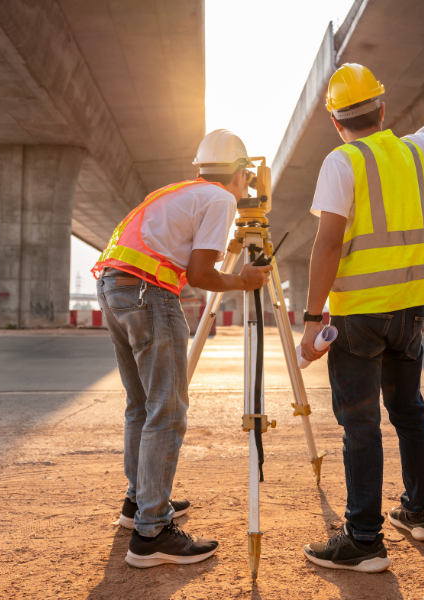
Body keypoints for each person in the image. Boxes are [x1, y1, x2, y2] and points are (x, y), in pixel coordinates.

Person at [299, 63, 424, 573]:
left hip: (359, 318)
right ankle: (418, 513)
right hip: (409, 311)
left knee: (360, 423)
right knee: (409, 411)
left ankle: (364, 540)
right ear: (383, 109)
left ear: (334, 119)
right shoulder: (411, 151)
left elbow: (327, 243)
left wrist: (309, 320)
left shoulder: (342, 160)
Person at [92, 129, 273, 568]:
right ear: (242, 173)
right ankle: (152, 533)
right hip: (148, 296)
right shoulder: (221, 198)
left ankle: (139, 504)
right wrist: (243, 280)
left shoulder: (179, 192)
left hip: (113, 288)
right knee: (166, 411)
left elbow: (190, 252)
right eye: (247, 177)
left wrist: (227, 252)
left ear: (200, 167)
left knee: (141, 407)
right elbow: (200, 274)